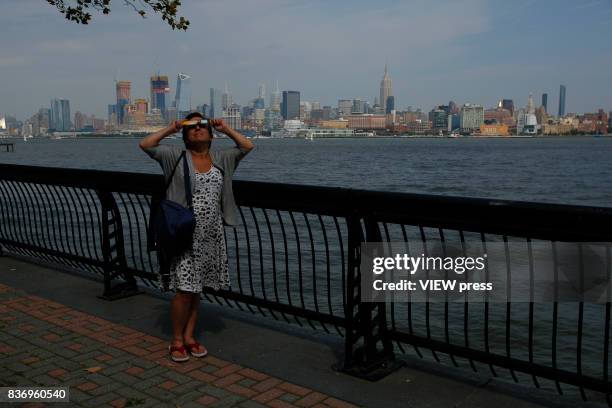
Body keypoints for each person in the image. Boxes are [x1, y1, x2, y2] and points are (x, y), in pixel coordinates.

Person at [139, 112, 254, 362]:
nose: (198, 130)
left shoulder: (222, 158)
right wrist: (171, 128)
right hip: (183, 234)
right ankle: (177, 340)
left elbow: (247, 145)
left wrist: (225, 128)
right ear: (185, 136)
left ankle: (190, 337)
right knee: (184, 290)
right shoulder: (175, 157)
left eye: (203, 126)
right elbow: (146, 144)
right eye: (192, 127)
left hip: (211, 235)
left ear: (211, 135)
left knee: (197, 288)